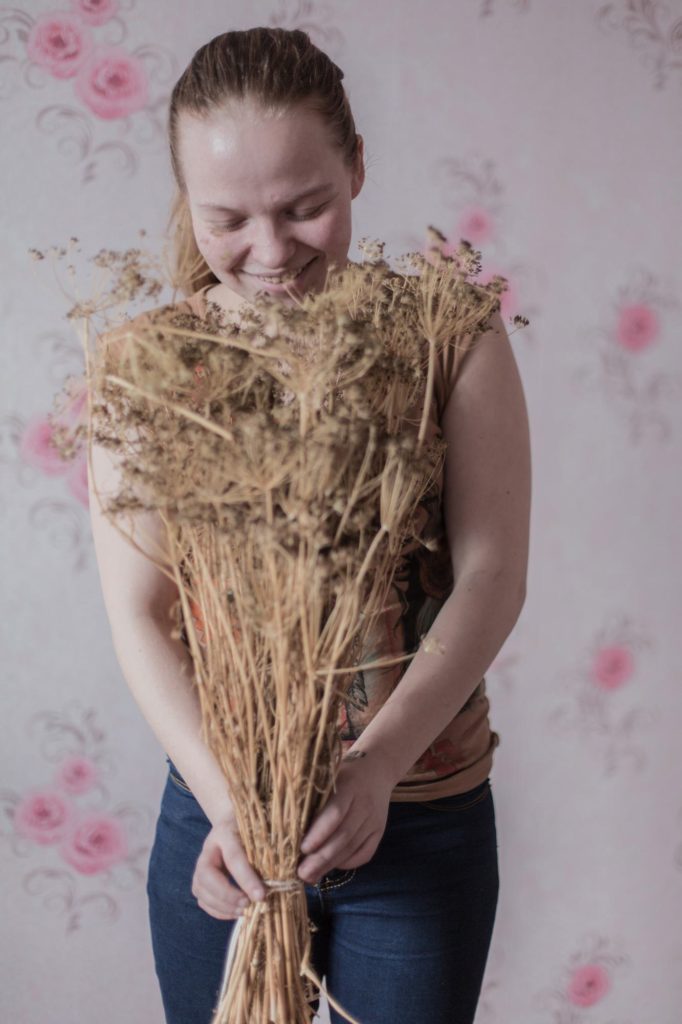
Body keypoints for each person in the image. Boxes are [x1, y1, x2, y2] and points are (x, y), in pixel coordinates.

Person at [88, 26, 531, 1024]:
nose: (271, 250)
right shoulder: (142, 366)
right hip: (220, 826)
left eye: (304, 207)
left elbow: (491, 574)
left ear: (357, 166)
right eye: (228, 219)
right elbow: (140, 613)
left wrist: (378, 766)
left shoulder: (448, 337)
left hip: (421, 822)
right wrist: (229, 807)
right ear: (187, 202)